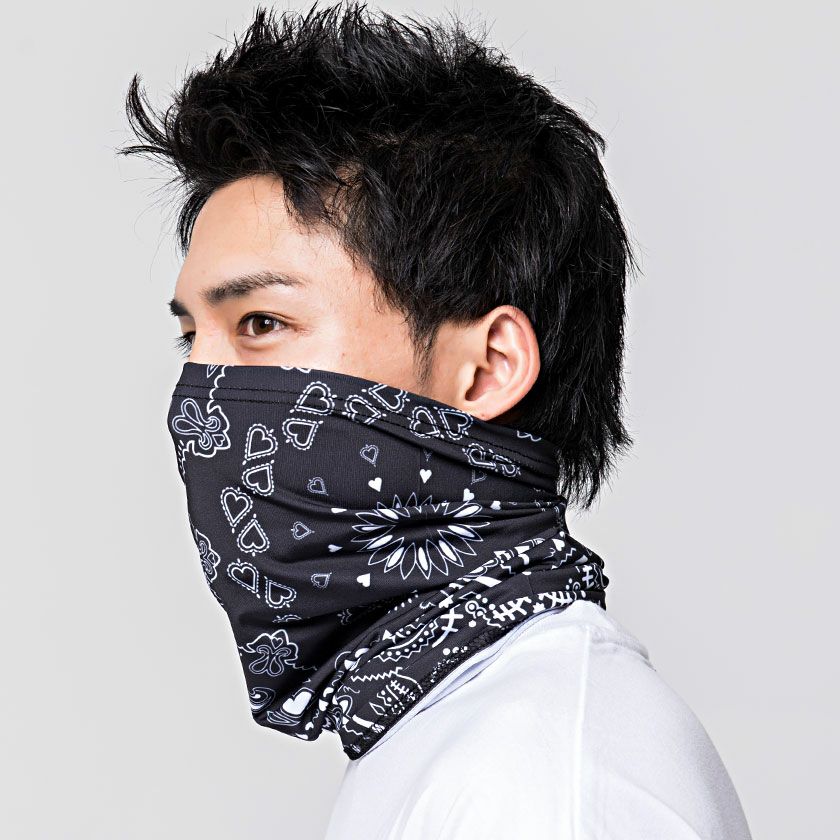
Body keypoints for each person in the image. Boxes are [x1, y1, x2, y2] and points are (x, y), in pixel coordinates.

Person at [119, 3, 753, 838]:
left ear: (487, 368)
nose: (201, 394)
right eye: (191, 339)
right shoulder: (447, 722)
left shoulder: (540, 786)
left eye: (262, 323)